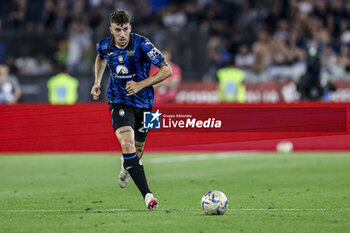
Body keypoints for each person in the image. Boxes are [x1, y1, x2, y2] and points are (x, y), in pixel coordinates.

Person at [90, 10, 172, 209]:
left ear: (130, 28)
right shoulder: (103, 45)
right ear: (111, 29)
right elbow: (100, 58)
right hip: (119, 102)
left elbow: (166, 70)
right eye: (118, 30)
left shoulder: (143, 43)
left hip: (146, 104)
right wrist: (97, 82)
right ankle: (148, 196)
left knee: (138, 151)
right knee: (127, 145)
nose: (122, 34)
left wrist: (141, 84)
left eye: (125, 29)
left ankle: (127, 165)